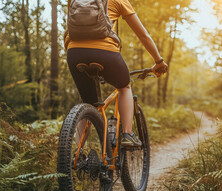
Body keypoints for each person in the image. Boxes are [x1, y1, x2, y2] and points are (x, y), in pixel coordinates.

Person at [65, 0, 168, 147]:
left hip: (74, 53)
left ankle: (75, 155)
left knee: (88, 103)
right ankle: (127, 134)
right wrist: (159, 61)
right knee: (124, 87)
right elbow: (143, 35)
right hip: (105, 52)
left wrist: (76, 53)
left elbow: (70, 29)